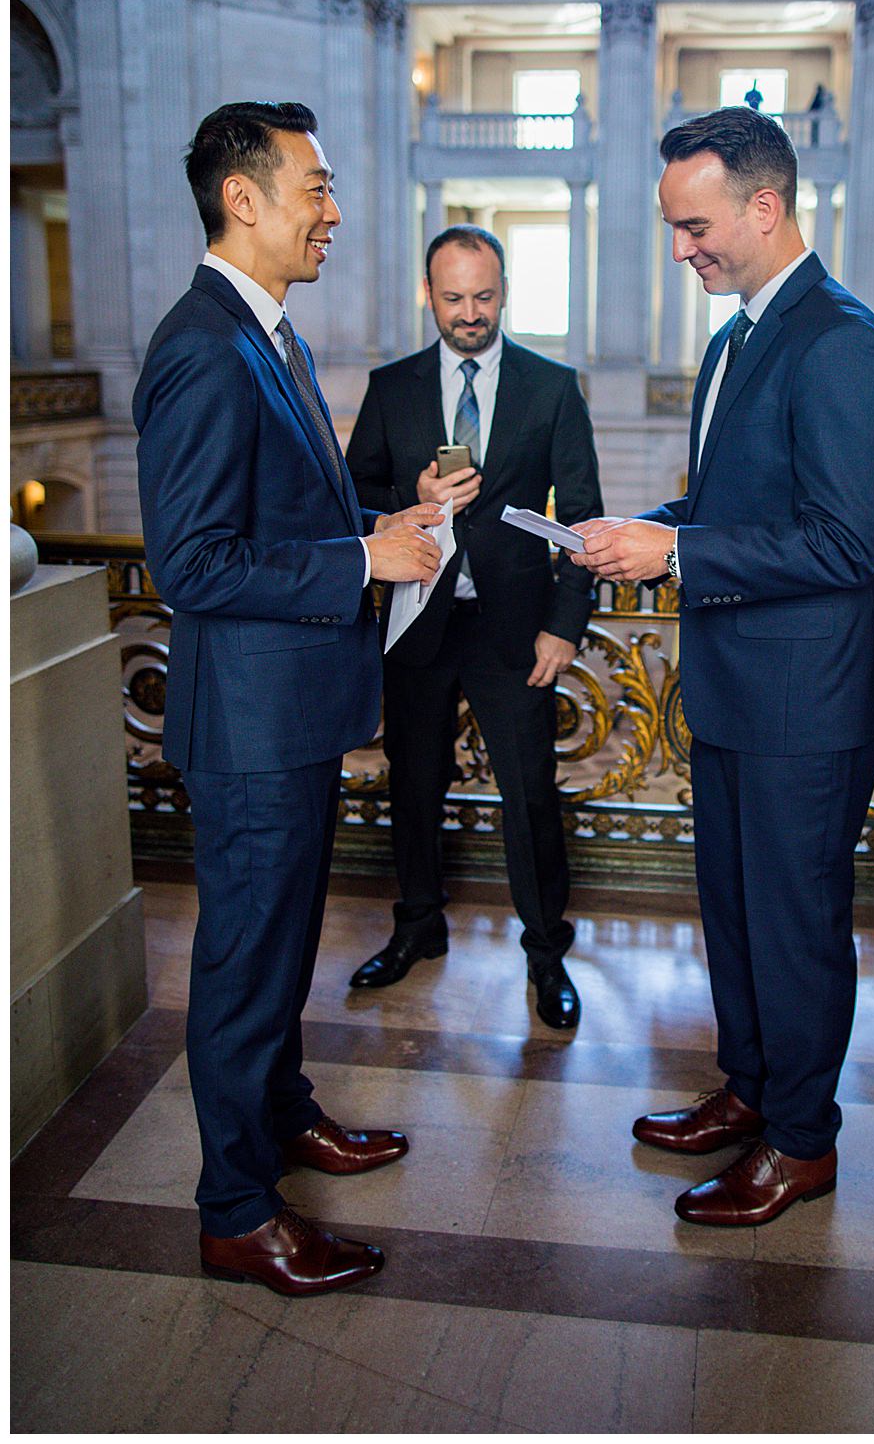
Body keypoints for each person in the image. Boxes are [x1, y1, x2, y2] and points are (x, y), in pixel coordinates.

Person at [571, 107, 874, 1226]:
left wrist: (679, 549)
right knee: (733, 909)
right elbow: (728, 509)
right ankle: (753, 1087)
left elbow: (838, 541)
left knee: (794, 922)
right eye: (674, 228)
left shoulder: (842, 341)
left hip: (806, 702)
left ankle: (802, 1141)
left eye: (695, 225)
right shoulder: (732, 338)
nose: (682, 250)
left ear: (766, 207)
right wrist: (644, 526)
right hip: (730, 686)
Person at [134, 101, 445, 1295]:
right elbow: (195, 564)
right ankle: (235, 1209)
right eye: (312, 187)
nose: (331, 210)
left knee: (279, 950)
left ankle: (282, 1114)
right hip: (252, 726)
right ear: (243, 199)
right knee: (245, 964)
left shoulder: (272, 333)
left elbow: (284, 521)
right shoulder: (203, 347)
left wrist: (379, 527)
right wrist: (359, 564)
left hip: (294, 716)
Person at [345, 225, 603, 1030]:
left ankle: (546, 954)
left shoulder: (553, 386)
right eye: (453, 298)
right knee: (413, 787)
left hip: (516, 632)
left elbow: (585, 519)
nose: (470, 314)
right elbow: (349, 504)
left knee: (529, 797)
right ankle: (417, 929)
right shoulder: (391, 388)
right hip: (418, 627)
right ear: (430, 294)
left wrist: (564, 626)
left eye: (484, 297)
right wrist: (406, 501)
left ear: (503, 291)